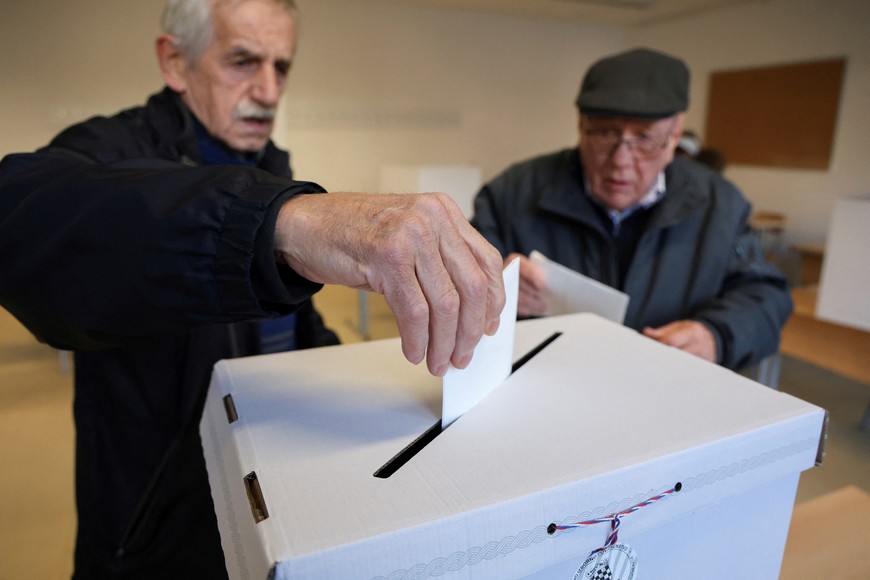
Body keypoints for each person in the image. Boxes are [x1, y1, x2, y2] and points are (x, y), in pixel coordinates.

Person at [0, 0, 505, 577]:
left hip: (273, 494)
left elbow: (283, 329)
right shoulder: (110, 150)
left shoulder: (273, 167)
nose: (268, 90)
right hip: (159, 529)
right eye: (242, 61)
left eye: (281, 66)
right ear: (174, 61)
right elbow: (22, 218)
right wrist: (275, 223)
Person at [472, 47, 792, 372]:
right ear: (582, 127)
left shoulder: (719, 204)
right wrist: (495, 282)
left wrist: (717, 335)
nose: (621, 161)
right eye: (605, 133)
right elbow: (458, 278)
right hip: (544, 386)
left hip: (668, 393)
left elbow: (765, 293)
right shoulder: (513, 193)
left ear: (675, 135)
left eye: (644, 138)